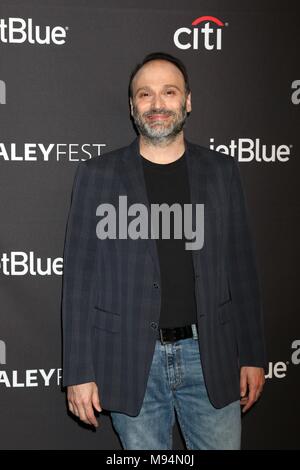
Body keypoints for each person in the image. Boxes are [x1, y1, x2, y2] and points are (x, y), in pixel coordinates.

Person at [61, 52, 267, 450]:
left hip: (211, 359)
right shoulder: (97, 176)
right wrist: (78, 371)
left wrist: (254, 354)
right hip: (129, 360)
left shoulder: (222, 173)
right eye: (145, 94)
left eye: (169, 92)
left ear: (187, 100)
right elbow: (79, 279)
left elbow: (242, 269)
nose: (157, 104)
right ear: (132, 106)